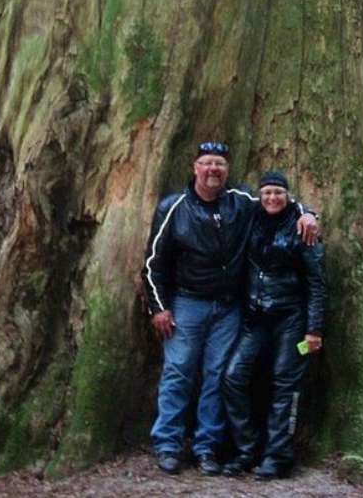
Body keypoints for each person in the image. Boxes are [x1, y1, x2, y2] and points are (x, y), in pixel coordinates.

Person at [141, 143, 318, 476]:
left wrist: (309, 213)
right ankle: (167, 444)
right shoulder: (173, 207)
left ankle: (207, 447)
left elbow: (278, 201)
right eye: (206, 163)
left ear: (227, 169)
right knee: (178, 371)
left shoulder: (240, 201)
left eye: (219, 164)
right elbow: (153, 263)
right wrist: (159, 307)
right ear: (194, 168)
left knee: (217, 376)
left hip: (228, 308)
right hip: (187, 303)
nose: (213, 170)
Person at [222, 170, 327, 480]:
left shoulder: (301, 227)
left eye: (278, 193)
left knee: (285, 382)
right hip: (255, 320)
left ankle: (278, 455)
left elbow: (317, 283)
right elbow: (232, 195)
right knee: (233, 378)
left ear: (287, 195)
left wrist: (314, 330)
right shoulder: (251, 217)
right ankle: (247, 448)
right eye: (267, 192)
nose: (272, 198)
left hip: (291, 322)